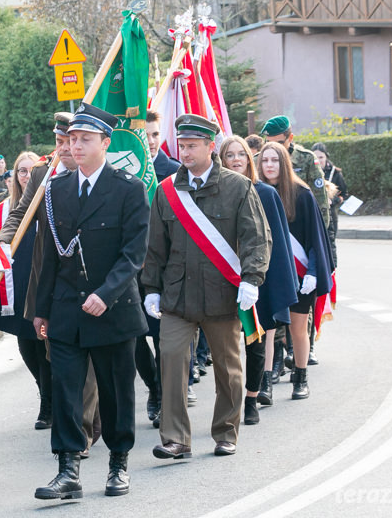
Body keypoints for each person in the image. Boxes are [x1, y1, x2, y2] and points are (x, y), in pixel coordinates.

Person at [33, 103, 150, 500]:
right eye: (71, 139)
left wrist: (107, 293)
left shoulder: (128, 189)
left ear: (105, 142)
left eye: (84, 139)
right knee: (65, 390)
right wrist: (40, 309)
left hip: (112, 308)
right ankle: (68, 469)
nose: (75, 146)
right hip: (67, 308)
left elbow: (133, 253)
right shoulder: (56, 189)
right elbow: (48, 255)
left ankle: (118, 463)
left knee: (116, 390)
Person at [143, 115, 270, 460]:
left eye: (191, 146)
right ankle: (175, 438)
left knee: (228, 368)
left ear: (210, 147)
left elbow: (256, 239)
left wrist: (251, 279)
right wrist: (151, 288)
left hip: (222, 293)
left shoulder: (237, 187)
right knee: (170, 360)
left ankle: (226, 432)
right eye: (181, 145)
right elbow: (156, 246)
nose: (184, 152)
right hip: (177, 294)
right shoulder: (167, 191)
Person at [0, 113, 101, 453]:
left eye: (70, 141)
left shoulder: (98, 175)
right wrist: (4, 243)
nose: (65, 149)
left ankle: (83, 432)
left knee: (88, 357)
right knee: (58, 356)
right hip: (51, 280)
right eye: (59, 142)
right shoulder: (42, 174)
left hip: (91, 279)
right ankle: (77, 418)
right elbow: (20, 211)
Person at [218, 136, 298, 424]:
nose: (237, 159)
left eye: (241, 154)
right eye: (230, 155)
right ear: (222, 160)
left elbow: (275, 243)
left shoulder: (264, 193)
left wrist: (269, 281)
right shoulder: (214, 192)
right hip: (223, 278)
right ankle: (228, 404)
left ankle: (252, 399)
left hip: (255, 280)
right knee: (225, 347)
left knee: (255, 341)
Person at [257, 142, 333, 400]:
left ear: (284, 163)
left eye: (274, 160)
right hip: (269, 273)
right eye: (265, 160)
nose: (269, 165)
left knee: (299, 329)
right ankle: (264, 382)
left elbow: (315, 238)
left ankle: (300, 377)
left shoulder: (303, 194)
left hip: (300, 275)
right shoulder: (255, 193)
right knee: (267, 330)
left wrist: (312, 272)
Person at [0, 151, 51, 428]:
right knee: (26, 345)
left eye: (31, 170)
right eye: (21, 171)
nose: (26, 176)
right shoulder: (3, 208)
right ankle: (43, 388)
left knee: (43, 342)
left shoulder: (48, 201)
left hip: (40, 281)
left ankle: (49, 402)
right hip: (15, 284)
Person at [138, 109, 180, 425]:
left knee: (166, 338)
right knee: (137, 337)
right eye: (145, 134)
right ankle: (154, 386)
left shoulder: (175, 173)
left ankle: (167, 395)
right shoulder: (126, 170)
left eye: (155, 134)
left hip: (168, 271)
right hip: (134, 271)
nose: (151, 141)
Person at [261, 115, 330, 228]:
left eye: (279, 143)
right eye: (268, 143)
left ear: (290, 138)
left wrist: (320, 229)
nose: (273, 147)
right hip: (269, 224)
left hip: (299, 222)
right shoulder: (258, 160)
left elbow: (319, 198)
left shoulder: (307, 159)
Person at [311, 143, 348, 266]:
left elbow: (344, 193)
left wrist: (335, 200)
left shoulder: (335, 173)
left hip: (330, 214)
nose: (319, 160)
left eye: (321, 157)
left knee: (329, 244)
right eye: (315, 157)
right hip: (313, 213)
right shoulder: (308, 172)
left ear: (326, 157)